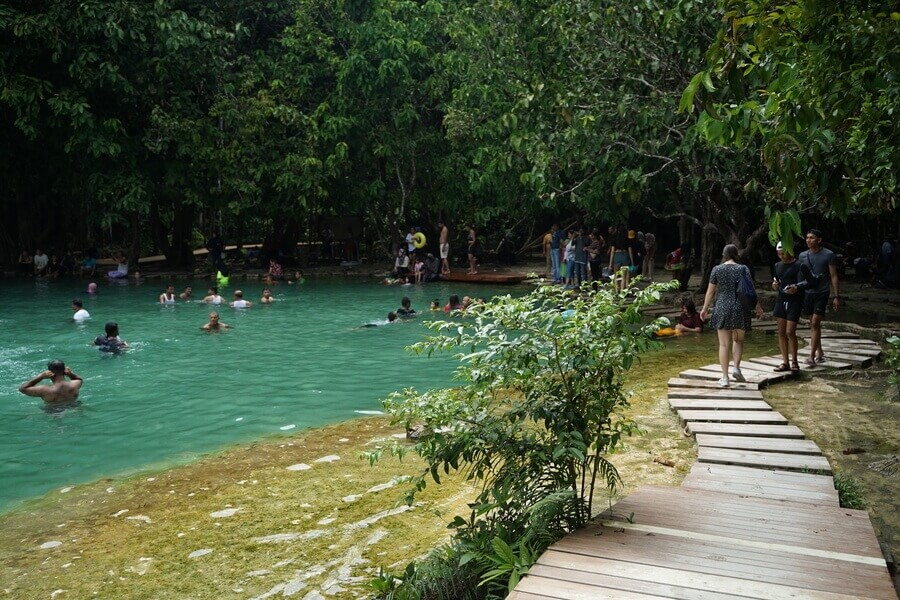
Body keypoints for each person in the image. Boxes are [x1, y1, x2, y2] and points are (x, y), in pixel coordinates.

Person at [699, 244, 763, 387]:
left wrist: (704, 309)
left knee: (723, 345)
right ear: (735, 254)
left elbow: (710, 292)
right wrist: (758, 307)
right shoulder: (743, 269)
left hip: (722, 306)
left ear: (724, 254)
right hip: (740, 307)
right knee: (738, 340)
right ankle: (736, 368)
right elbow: (750, 290)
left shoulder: (717, 269)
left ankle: (725, 378)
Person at [798, 228, 841, 365]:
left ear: (819, 240)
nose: (808, 240)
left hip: (822, 292)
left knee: (815, 322)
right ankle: (820, 352)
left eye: (811, 237)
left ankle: (811, 356)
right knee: (813, 324)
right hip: (808, 293)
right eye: (807, 237)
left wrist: (836, 296)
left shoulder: (828, 255)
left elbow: (833, 275)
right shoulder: (802, 256)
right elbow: (800, 276)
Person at [772, 241, 804, 373]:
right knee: (781, 332)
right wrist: (775, 285)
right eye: (779, 254)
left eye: (783, 253)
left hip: (795, 301)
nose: (781, 256)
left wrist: (797, 288)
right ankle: (785, 362)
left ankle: (794, 361)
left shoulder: (799, 265)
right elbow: (777, 280)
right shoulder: (777, 265)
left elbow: (805, 282)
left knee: (790, 331)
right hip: (781, 299)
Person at [19, 361, 83, 403]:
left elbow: (22, 389)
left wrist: (40, 376)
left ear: (49, 372)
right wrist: (70, 374)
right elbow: (79, 379)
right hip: (74, 407)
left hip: (54, 412)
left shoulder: (44, 390)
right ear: (64, 371)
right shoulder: (75, 384)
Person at [607, 225, 633, 291]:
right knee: (625, 276)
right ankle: (624, 290)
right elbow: (630, 251)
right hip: (625, 255)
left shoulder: (614, 237)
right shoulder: (627, 238)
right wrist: (632, 261)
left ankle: (616, 290)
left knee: (616, 275)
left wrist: (610, 264)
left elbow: (612, 251)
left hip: (617, 255)